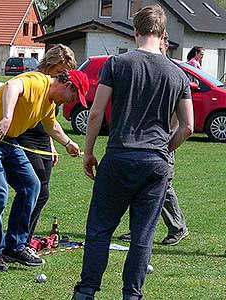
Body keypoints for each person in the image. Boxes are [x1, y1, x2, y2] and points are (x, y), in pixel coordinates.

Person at [72, 5, 194, 300]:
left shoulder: (117, 64)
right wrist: (165, 148)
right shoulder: (178, 74)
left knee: (100, 229)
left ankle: (86, 291)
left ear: (135, 31)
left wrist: (88, 152)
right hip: (155, 163)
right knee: (143, 235)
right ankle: (132, 294)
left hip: (119, 156)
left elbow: (96, 113)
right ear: (164, 34)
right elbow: (188, 126)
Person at [0, 69, 89, 271]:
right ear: (67, 85)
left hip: (8, 140)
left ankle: (14, 247)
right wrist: (6, 118)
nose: (70, 102)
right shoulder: (38, 81)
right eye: (73, 97)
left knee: (31, 186)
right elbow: (11, 86)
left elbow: (52, 125)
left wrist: (68, 143)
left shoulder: (49, 103)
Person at [118, 31, 189, 246]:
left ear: (165, 45)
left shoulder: (172, 72)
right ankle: (137, 228)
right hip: (144, 141)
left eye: (163, 44)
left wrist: (168, 142)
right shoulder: (147, 67)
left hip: (163, 141)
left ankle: (178, 227)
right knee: (137, 183)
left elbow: (181, 118)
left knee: (163, 185)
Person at [17, 44, 77, 247]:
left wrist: (52, 144)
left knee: (42, 192)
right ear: (49, 65)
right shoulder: (34, 80)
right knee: (38, 191)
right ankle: (21, 240)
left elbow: (49, 118)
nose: (63, 75)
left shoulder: (56, 86)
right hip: (26, 137)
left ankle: (25, 238)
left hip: (43, 140)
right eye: (60, 71)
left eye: (66, 71)